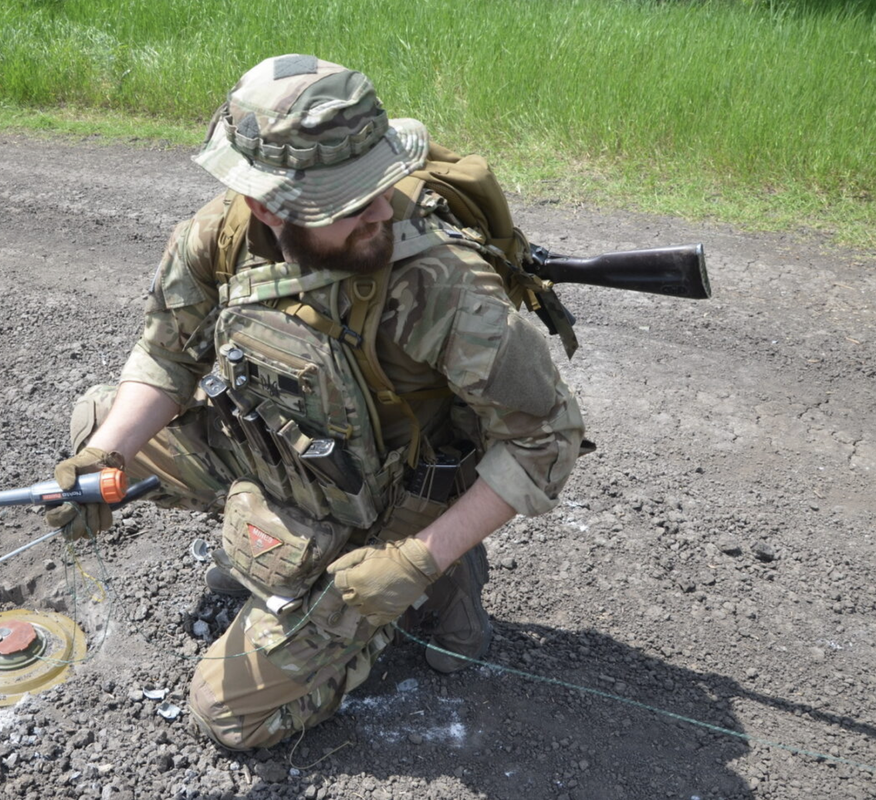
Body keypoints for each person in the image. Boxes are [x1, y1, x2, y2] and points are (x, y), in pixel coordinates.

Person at [45, 54, 585, 750]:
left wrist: (415, 561)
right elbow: (167, 355)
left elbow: (546, 438)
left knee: (228, 714)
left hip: (402, 489)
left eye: (380, 187)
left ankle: (438, 580)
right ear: (266, 204)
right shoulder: (221, 236)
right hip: (289, 445)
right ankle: (293, 546)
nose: (378, 215)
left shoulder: (445, 291)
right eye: (345, 204)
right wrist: (106, 455)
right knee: (97, 422)